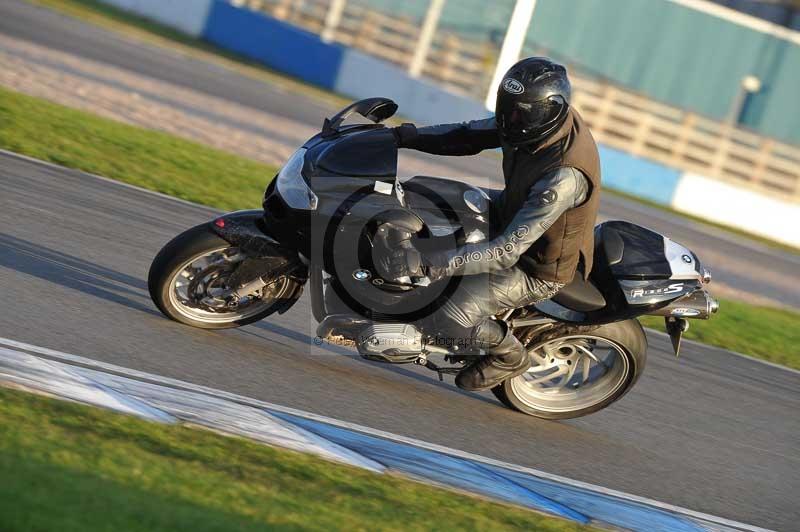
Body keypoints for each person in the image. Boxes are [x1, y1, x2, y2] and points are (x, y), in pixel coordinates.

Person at [382, 57, 602, 392]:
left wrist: (432, 262)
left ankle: (509, 356)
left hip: (536, 266)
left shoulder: (563, 176)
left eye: (521, 113)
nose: (510, 118)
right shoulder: (527, 122)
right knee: (418, 193)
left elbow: (505, 252)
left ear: (547, 111)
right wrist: (400, 136)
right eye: (508, 106)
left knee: (449, 314)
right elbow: (465, 135)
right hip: (508, 210)